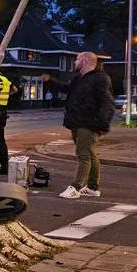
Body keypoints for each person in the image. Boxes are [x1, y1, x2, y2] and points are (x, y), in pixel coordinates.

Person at [42, 52, 115, 199]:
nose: (75, 63)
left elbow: (107, 102)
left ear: (85, 61)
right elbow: (66, 88)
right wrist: (50, 81)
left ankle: (76, 187)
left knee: (83, 155)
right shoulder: (78, 79)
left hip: (89, 123)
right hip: (76, 121)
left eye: (77, 60)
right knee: (91, 154)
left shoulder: (100, 78)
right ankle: (93, 187)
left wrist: (101, 123)